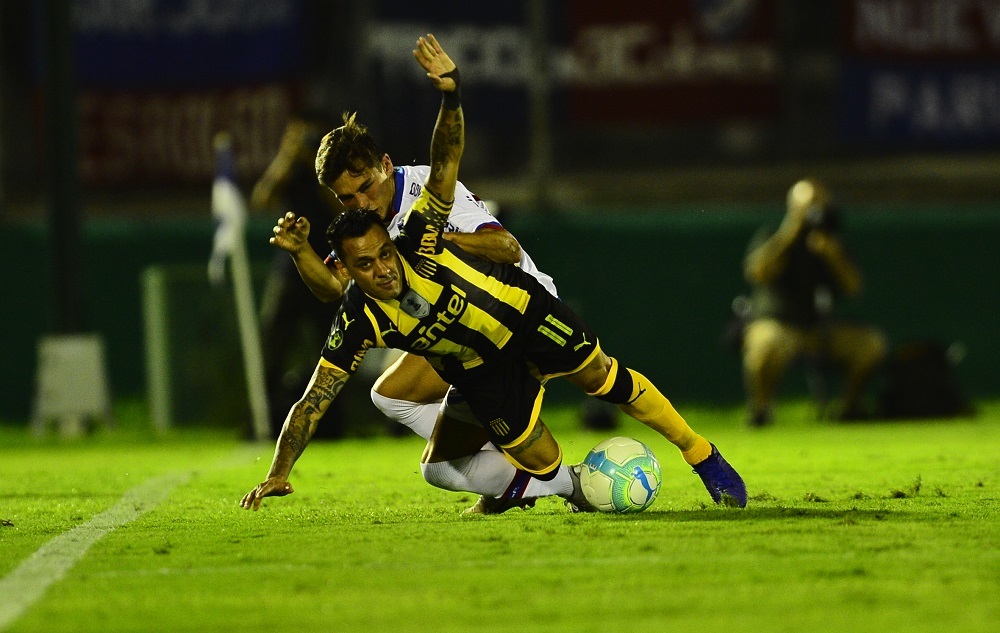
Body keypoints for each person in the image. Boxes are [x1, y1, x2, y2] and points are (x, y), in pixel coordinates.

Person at [241, 33, 747, 514]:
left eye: (365, 188)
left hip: (515, 308)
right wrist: (301, 252)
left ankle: (702, 455)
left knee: (601, 377)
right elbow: (335, 289)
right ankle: (520, 472)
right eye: (345, 199)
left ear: (386, 165)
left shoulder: (424, 201)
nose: (360, 202)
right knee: (393, 399)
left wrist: (436, 236)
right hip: (465, 344)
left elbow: (505, 246)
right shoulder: (363, 232)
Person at [742, 178, 887, 426]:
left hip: (820, 330)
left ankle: (849, 409)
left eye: (820, 205)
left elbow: (854, 287)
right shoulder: (772, 236)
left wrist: (833, 256)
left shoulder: (830, 241)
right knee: (766, 342)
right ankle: (761, 410)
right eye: (808, 206)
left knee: (870, 344)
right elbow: (757, 271)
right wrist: (789, 233)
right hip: (779, 326)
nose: (814, 212)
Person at [251, 111, 345, 438]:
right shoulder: (290, 168)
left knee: (333, 350)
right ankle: (261, 424)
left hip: (328, 270)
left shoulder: (331, 173)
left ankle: (331, 426)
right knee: (271, 348)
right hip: (289, 275)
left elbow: (343, 210)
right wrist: (288, 153)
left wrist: (318, 169)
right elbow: (262, 198)